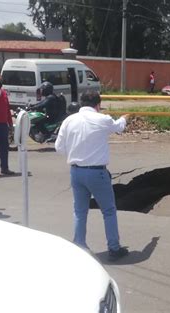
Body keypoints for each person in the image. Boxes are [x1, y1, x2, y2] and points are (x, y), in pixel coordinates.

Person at [55, 90, 130, 261]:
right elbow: (118, 127)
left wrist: (75, 152)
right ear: (98, 105)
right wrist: (125, 118)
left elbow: (59, 148)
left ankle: (79, 245)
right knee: (108, 211)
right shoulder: (102, 119)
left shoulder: (69, 120)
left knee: (80, 211)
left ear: (81, 103)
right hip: (97, 172)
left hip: (76, 171)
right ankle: (114, 248)